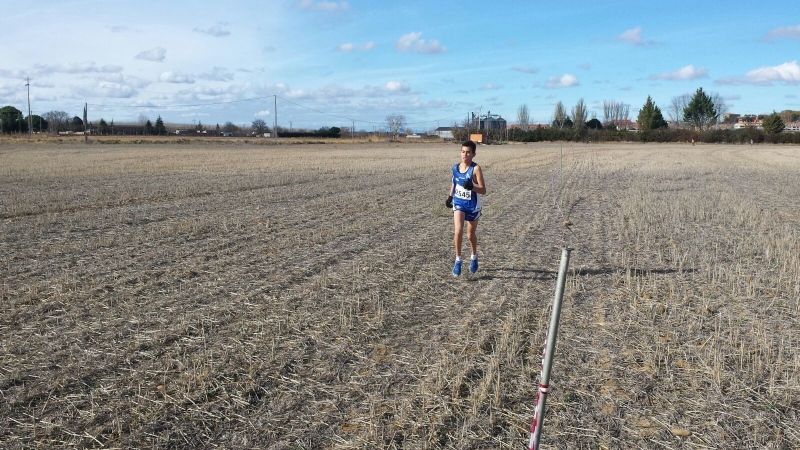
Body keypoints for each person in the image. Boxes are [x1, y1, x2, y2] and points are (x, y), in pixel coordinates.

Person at [445, 140, 486, 277]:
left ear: (473, 154)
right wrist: (450, 197)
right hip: (459, 203)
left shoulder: (476, 169)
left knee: (470, 235)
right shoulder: (455, 168)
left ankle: (474, 256)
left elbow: (483, 190)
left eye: (468, 152)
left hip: (473, 206)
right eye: (463, 151)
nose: (465, 155)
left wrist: (472, 187)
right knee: (458, 231)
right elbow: (454, 183)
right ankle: (458, 260)